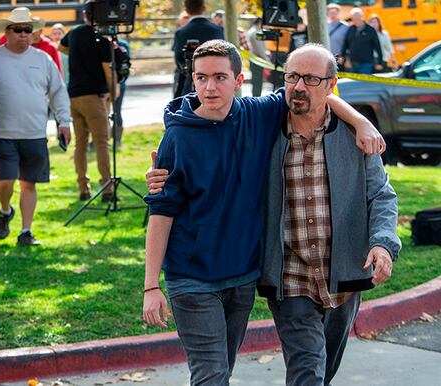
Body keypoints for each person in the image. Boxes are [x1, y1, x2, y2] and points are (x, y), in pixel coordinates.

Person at [142, 39, 385, 386]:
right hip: (194, 276)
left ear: (239, 80)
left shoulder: (257, 115)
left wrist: (361, 121)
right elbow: (161, 212)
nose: (209, 87)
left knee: (221, 370)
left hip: (241, 276)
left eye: (220, 77)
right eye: (201, 78)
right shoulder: (178, 136)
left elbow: (313, 90)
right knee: (211, 374)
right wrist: (151, 285)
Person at [258, 44, 401, 386]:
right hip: (288, 276)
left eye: (310, 78)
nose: (299, 86)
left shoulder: (356, 137)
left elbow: (381, 196)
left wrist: (382, 244)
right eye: (292, 77)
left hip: (343, 276)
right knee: (307, 368)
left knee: (324, 370)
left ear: (331, 84)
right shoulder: (264, 131)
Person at [0, 7, 71, 246]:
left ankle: (25, 231)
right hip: (2, 132)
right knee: (5, 181)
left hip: (35, 132)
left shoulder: (43, 59)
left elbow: (58, 92)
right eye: (18, 30)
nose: (23, 34)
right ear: (7, 32)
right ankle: (5, 209)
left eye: (27, 30)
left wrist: (64, 122)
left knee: (29, 183)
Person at [59, 1, 115, 202]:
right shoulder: (102, 39)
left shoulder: (74, 33)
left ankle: (83, 187)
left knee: (80, 144)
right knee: (101, 143)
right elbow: (108, 70)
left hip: (73, 95)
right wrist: (113, 91)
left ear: (85, 15)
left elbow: (61, 46)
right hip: (93, 96)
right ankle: (107, 188)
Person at [172, 0, 224, 98]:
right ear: (204, 8)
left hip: (189, 80)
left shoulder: (180, 32)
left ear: (186, 10)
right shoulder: (217, 30)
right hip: (214, 80)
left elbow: (178, 59)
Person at [340, 8, 383, 74]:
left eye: (356, 18)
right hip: (353, 63)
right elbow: (345, 44)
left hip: (366, 63)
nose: (355, 20)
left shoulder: (370, 30)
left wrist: (380, 62)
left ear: (362, 17)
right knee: (352, 83)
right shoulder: (351, 29)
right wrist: (343, 57)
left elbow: (378, 47)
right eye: (353, 19)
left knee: (364, 83)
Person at [247, 17, 268, 96]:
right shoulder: (256, 32)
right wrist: (266, 59)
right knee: (258, 82)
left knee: (255, 81)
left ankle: (255, 96)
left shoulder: (251, 31)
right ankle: (257, 97)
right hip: (258, 59)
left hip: (253, 59)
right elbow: (260, 48)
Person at [326, 3, 349, 68]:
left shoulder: (346, 27)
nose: (332, 15)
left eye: (334, 13)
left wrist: (346, 58)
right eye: (330, 13)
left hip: (340, 59)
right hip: (328, 58)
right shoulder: (325, 26)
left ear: (338, 13)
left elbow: (349, 43)